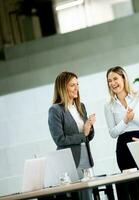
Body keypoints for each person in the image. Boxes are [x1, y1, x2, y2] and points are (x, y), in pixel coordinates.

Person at [48, 71, 96, 199]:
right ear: (63, 88)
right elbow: (60, 139)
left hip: (86, 160)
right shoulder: (55, 110)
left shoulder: (81, 106)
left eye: (77, 84)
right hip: (69, 163)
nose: (77, 88)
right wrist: (83, 133)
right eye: (72, 85)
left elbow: (88, 136)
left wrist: (90, 127)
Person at [104, 66, 139, 171]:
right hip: (123, 146)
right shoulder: (109, 105)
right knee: (130, 184)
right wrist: (125, 120)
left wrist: (133, 117)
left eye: (115, 79)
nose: (112, 83)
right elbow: (112, 133)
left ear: (123, 78)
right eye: (109, 81)